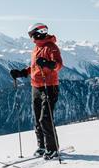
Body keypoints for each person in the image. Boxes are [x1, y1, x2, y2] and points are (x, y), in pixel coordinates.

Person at [10, 23, 63, 160]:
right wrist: (22, 73)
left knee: (45, 118)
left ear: (36, 33)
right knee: (37, 118)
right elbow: (34, 67)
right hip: (36, 87)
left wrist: (48, 64)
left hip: (49, 86)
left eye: (31, 34)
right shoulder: (36, 48)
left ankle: (52, 149)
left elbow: (58, 65)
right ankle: (42, 146)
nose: (31, 37)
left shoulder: (51, 47)